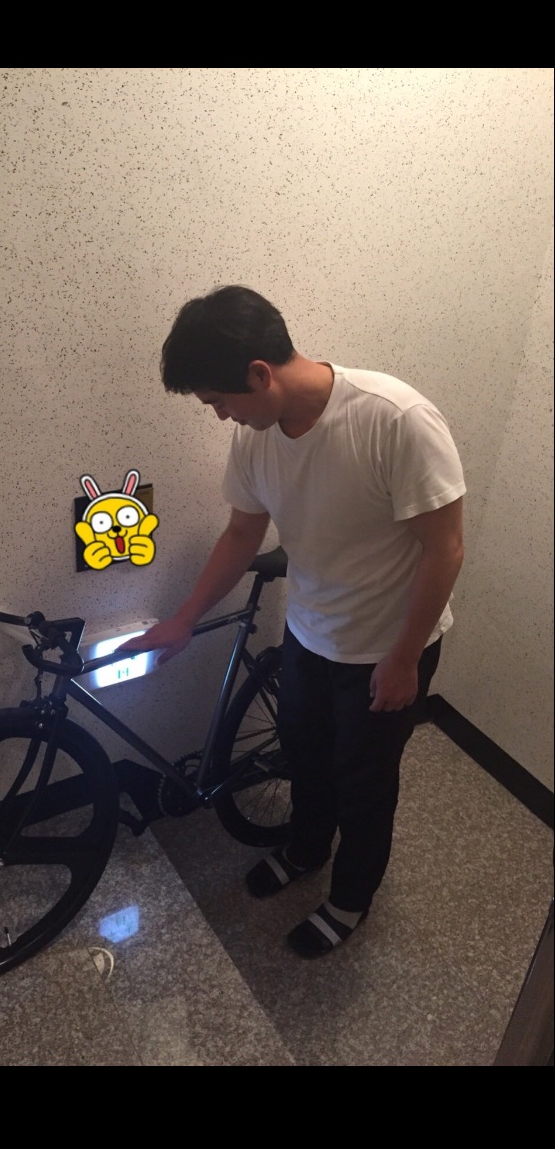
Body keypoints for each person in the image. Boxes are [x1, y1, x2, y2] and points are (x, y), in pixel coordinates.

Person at [120, 286, 465, 959]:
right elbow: (241, 534)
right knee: (305, 757)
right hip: (309, 632)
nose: (220, 416)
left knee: (365, 785)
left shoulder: (395, 419)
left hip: (388, 646)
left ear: (260, 373)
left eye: (219, 401)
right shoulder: (256, 439)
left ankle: (351, 898)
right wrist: (183, 619)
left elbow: (444, 548)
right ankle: (307, 848)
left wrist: (404, 658)